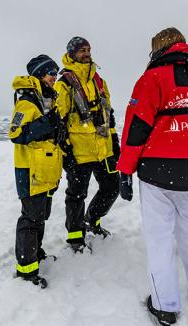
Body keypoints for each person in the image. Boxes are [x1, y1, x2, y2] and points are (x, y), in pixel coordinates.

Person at [117, 27, 188, 326]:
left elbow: (136, 127)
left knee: (159, 235)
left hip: (157, 168)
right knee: (186, 224)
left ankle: (164, 304)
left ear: (158, 48)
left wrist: (125, 169)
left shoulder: (152, 78)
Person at [54, 37, 120, 252]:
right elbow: (59, 120)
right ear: (71, 53)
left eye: (88, 49)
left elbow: (108, 113)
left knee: (112, 188)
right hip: (79, 152)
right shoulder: (64, 84)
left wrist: (114, 140)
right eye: (82, 50)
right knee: (76, 196)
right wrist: (66, 152)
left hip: (103, 149)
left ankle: (92, 220)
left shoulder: (99, 81)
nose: (87, 53)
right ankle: (75, 238)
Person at [8, 54, 65, 288]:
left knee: (40, 215)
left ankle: (36, 253)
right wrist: (48, 122)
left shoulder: (46, 100)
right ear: (40, 75)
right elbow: (16, 133)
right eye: (51, 73)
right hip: (29, 169)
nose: (54, 78)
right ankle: (26, 270)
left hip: (44, 169)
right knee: (31, 217)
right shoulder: (26, 102)